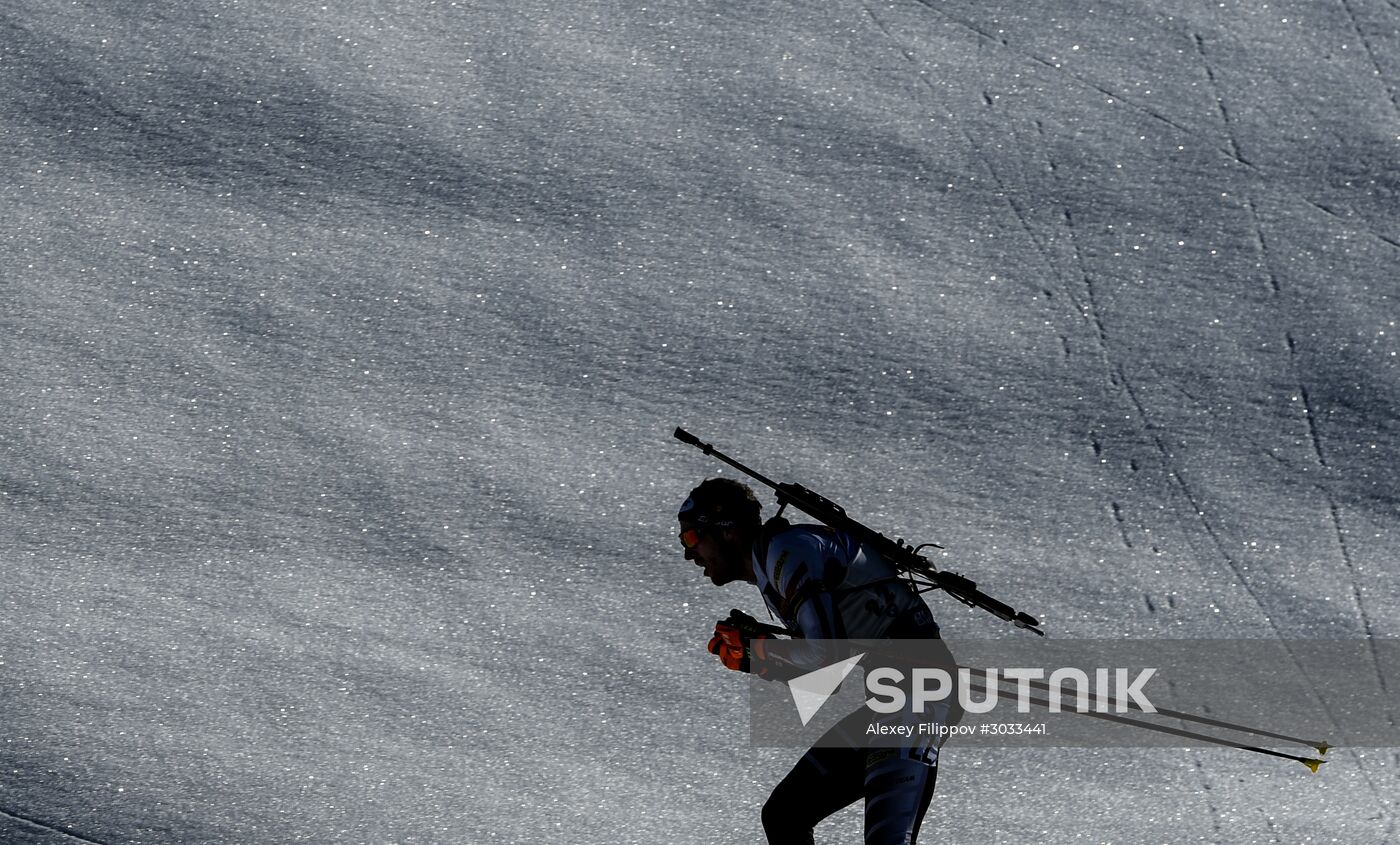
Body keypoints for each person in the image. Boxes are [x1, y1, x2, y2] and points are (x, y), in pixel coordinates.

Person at [677, 477, 952, 845]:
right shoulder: (776, 561)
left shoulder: (787, 553)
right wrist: (755, 655)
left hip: (918, 698)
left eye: (692, 538)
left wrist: (756, 654)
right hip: (900, 698)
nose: (688, 553)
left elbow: (828, 659)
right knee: (784, 814)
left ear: (725, 531)